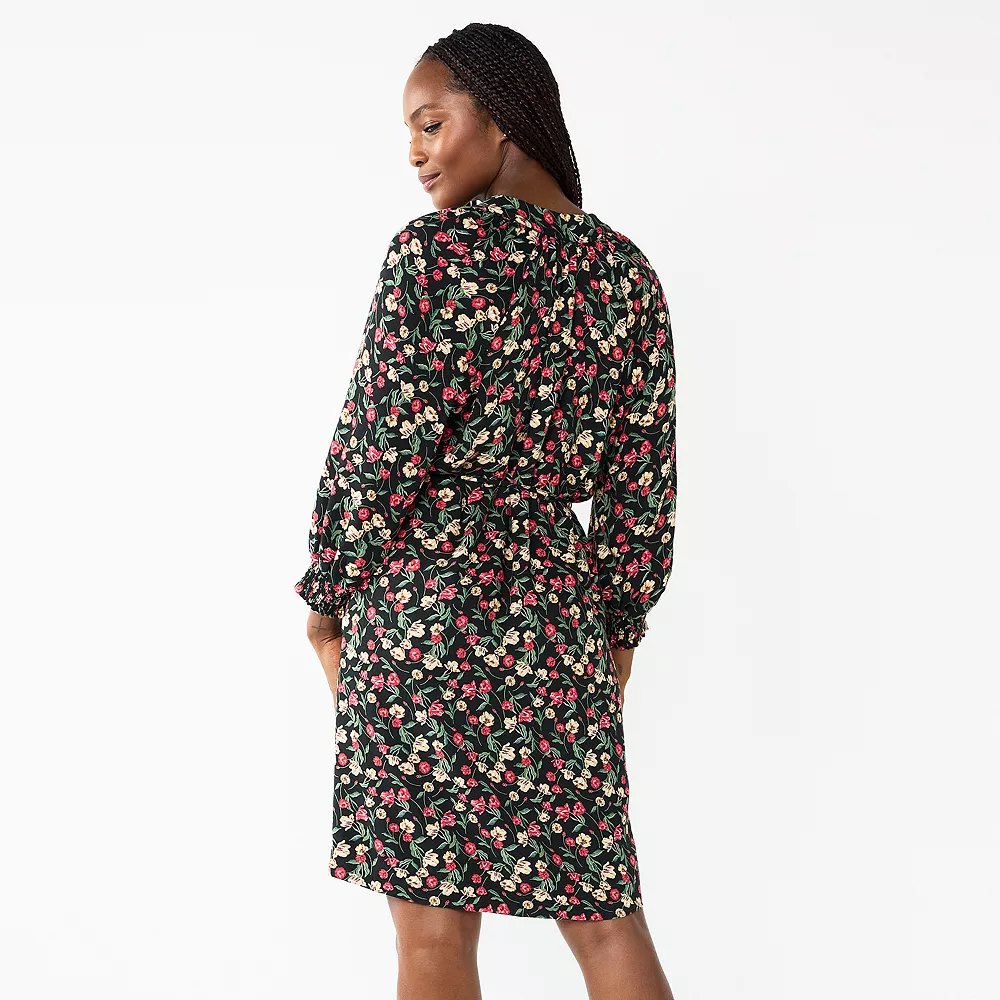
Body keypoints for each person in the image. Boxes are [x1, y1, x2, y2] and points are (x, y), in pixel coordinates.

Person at [294, 22, 678, 1000]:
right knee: (603, 920)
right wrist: (615, 625)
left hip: (423, 605)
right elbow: (642, 481)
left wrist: (327, 597)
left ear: (501, 119)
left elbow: (379, 450)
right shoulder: (627, 275)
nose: (415, 153)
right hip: (555, 607)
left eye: (431, 124)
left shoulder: (434, 257)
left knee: (432, 939)